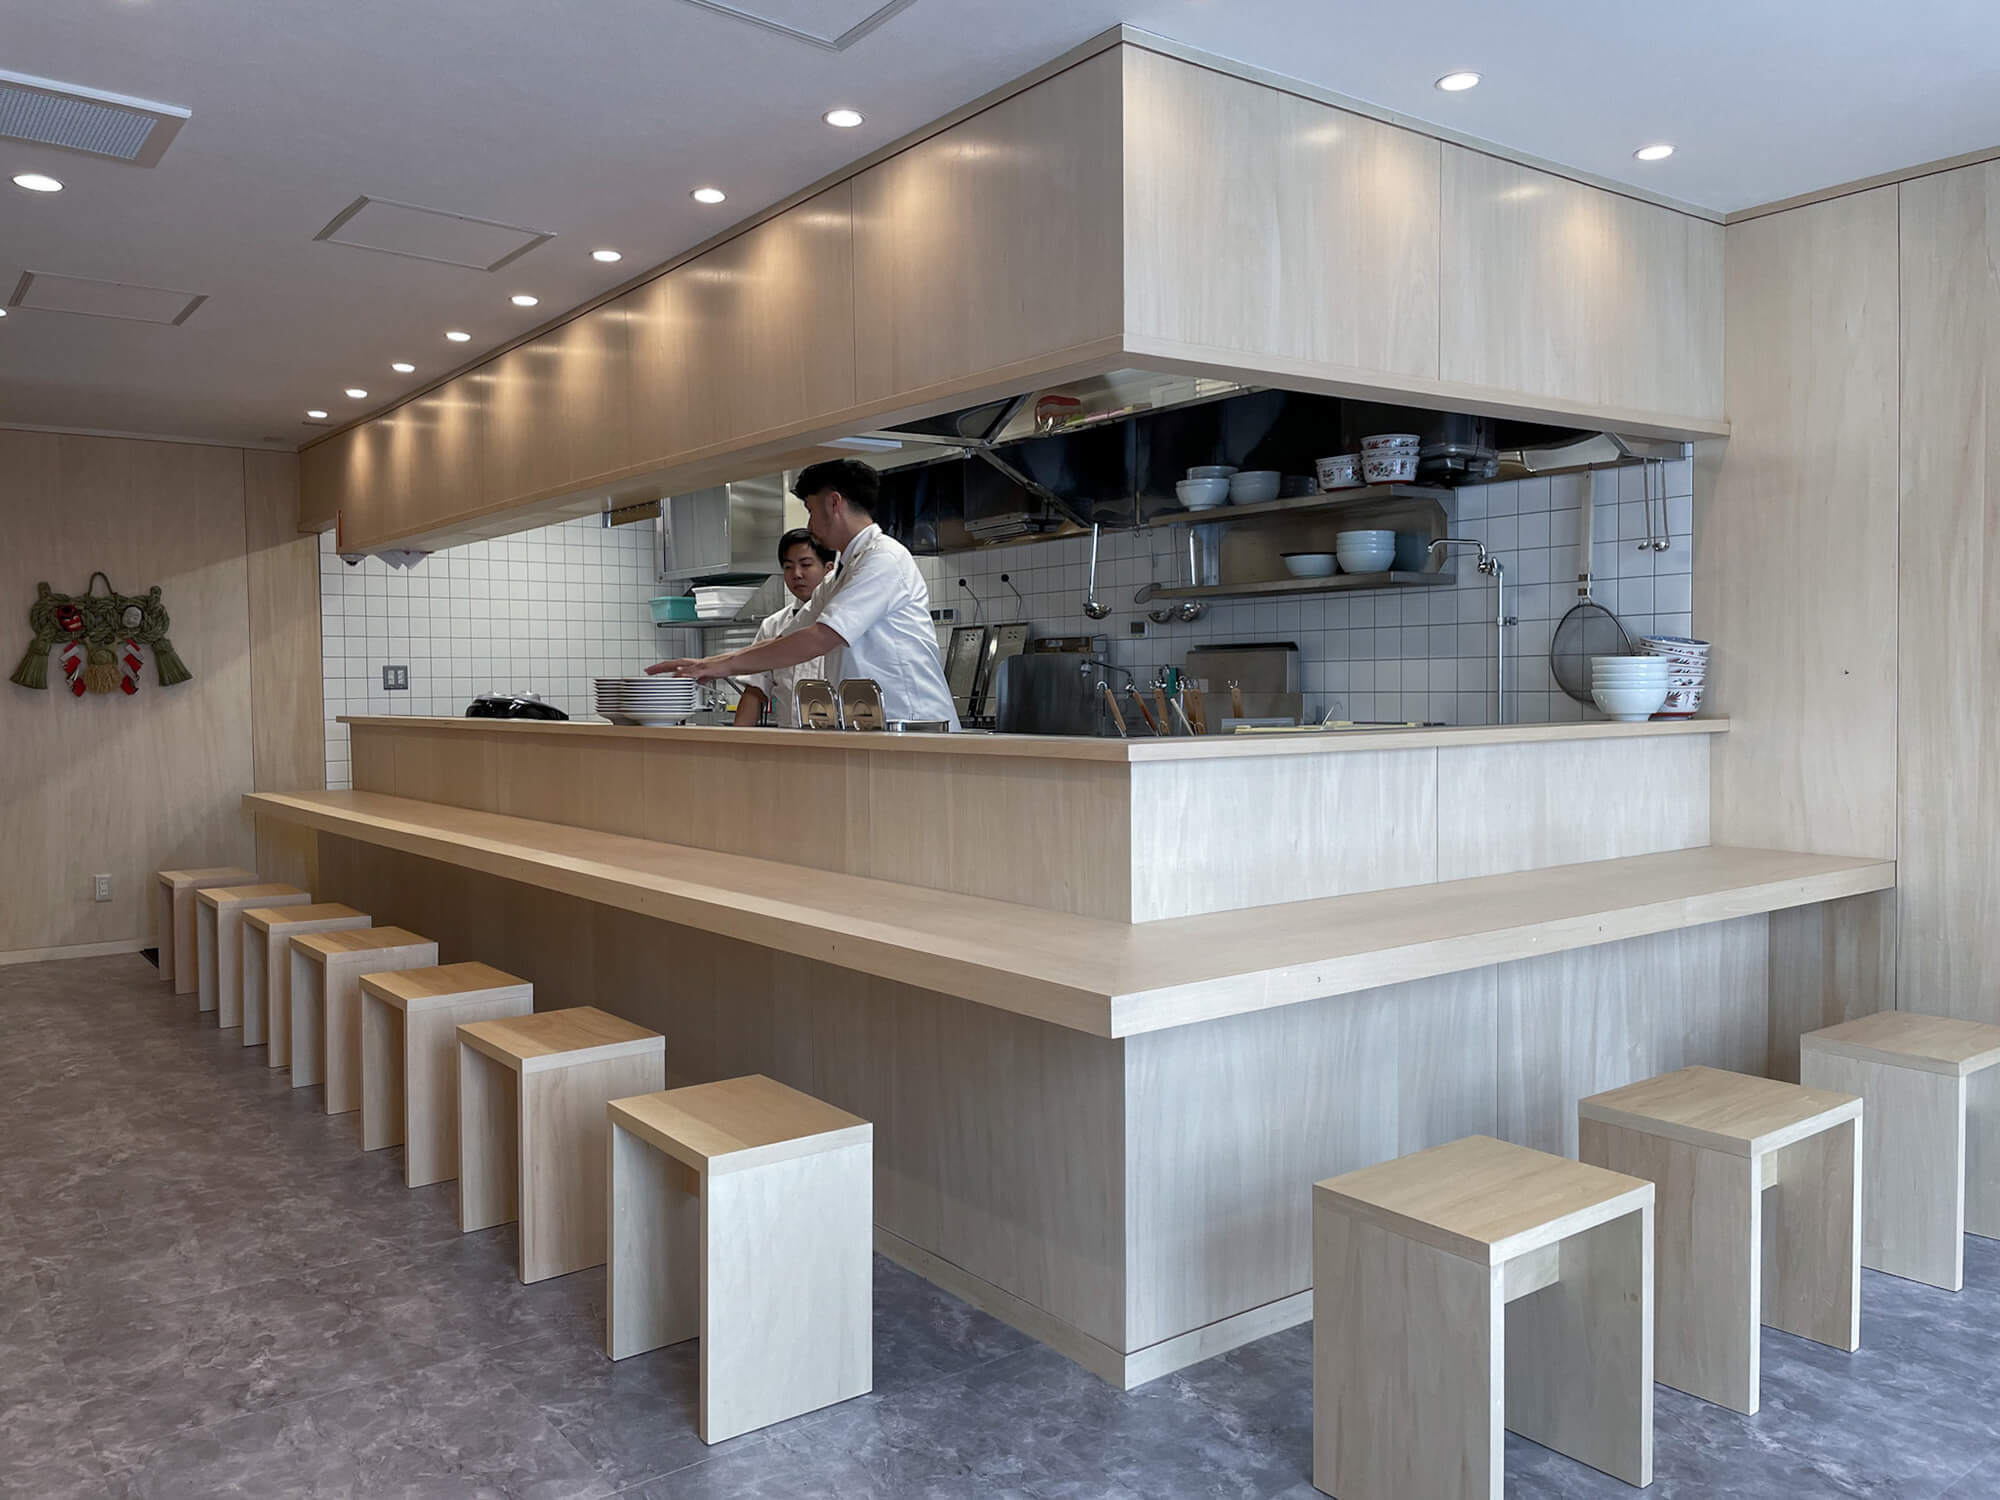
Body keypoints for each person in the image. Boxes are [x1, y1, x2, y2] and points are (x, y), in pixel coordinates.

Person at [648, 458, 959, 729]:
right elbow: (787, 637)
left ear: (834, 503)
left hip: (914, 722)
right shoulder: (840, 575)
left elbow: (820, 637)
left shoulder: (884, 558)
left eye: (810, 510)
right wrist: (709, 663)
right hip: (874, 727)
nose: (809, 524)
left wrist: (719, 666)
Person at [733, 528, 834, 727]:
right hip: (788, 738)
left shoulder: (846, 619)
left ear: (829, 569)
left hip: (840, 740)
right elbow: (755, 689)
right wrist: (735, 742)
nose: (796, 574)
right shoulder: (773, 625)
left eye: (806, 565)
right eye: (788, 567)